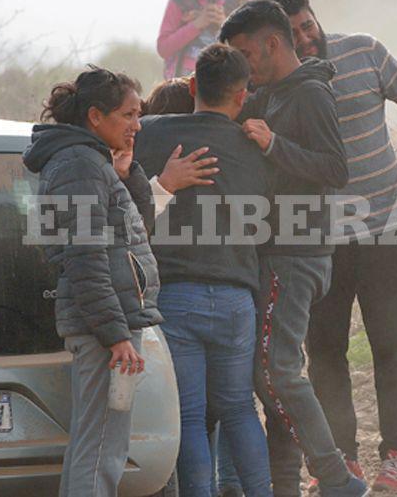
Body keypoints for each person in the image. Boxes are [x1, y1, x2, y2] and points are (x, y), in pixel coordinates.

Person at [262, 0, 397, 494]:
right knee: (326, 350)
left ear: (317, 19)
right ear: (277, 41)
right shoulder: (273, 86)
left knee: (392, 346)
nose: (306, 38)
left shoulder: (364, 50)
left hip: (389, 228)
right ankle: (344, 459)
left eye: (308, 26)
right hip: (318, 243)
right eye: (293, 34)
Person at [220, 0, 368, 497]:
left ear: (273, 44)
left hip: (296, 252)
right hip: (282, 249)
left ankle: (337, 478)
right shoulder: (274, 92)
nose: (243, 65)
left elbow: (335, 168)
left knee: (278, 372)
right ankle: (285, 483)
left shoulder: (308, 96)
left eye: (244, 53)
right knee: (270, 374)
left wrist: (272, 145)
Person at [134, 43, 273, 497]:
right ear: (242, 96)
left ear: (192, 86)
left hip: (177, 297)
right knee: (239, 409)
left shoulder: (150, 134)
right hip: (237, 297)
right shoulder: (255, 144)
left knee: (190, 416)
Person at [23, 67, 159, 497]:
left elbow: (135, 231)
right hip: (103, 330)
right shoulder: (79, 165)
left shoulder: (88, 162)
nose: (137, 125)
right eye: (129, 114)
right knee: (102, 448)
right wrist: (115, 335)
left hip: (106, 324)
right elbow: (83, 258)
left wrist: (122, 173)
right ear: (96, 116)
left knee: (98, 445)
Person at [141, 73, 243, 497]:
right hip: (229, 294)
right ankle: (232, 483)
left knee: (189, 410)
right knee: (225, 406)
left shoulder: (150, 164)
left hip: (172, 297)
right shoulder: (218, 162)